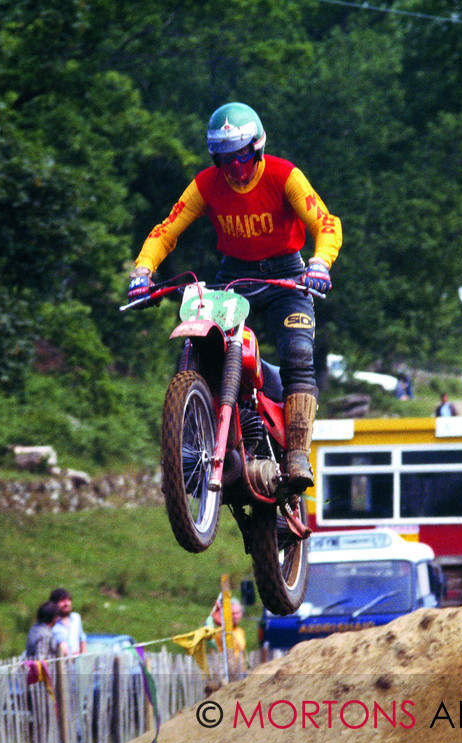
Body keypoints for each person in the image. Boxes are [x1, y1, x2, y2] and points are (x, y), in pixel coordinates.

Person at [128, 102, 342, 489]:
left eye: (243, 158)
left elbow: (325, 222)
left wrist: (320, 264)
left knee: (298, 352)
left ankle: (296, 456)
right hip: (234, 275)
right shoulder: (206, 184)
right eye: (226, 161)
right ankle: (191, 447)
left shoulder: (284, 175)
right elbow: (166, 230)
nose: (235, 170)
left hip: (288, 274)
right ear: (216, 159)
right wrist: (143, 272)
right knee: (199, 345)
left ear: (257, 149)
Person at [49, 587, 87, 656]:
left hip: (76, 664)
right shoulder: (51, 623)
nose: (66, 604)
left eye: (68, 600)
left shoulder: (76, 618)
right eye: (62, 601)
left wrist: (83, 658)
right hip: (59, 664)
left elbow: (82, 639)